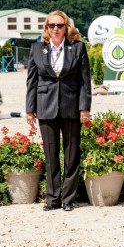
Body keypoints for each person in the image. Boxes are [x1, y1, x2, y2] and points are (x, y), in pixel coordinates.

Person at [26, 11, 91, 212]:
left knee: (71, 155)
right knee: (51, 155)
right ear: (46, 28)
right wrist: (30, 109)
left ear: (66, 28)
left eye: (60, 25)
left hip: (71, 107)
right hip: (45, 106)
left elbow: (84, 81)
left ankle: (68, 200)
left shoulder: (78, 48)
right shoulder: (37, 49)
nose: (56, 29)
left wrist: (85, 107)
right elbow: (32, 81)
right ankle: (52, 199)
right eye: (52, 25)